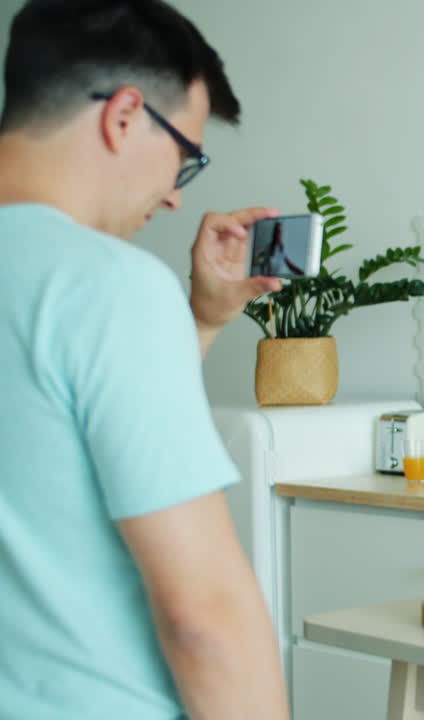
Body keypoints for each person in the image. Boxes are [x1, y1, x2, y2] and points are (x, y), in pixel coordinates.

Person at [0, 1, 290, 718]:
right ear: (124, 115)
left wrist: (200, 320)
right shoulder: (106, 285)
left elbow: (43, 442)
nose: (169, 194)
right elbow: (205, 619)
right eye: (184, 157)